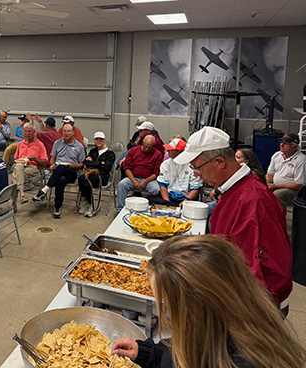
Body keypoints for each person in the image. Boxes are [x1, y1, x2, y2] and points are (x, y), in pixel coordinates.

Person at [112, 235, 306, 368]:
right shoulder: (218, 331)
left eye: (167, 303)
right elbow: (180, 351)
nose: (166, 310)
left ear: (196, 309)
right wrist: (147, 353)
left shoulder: (244, 361)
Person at [174, 126, 292, 310]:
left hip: (256, 306)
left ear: (220, 162)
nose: (197, 175)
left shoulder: (254, 201)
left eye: (197, 168)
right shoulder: (231, 190)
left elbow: (258, 269)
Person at [32, 123, 85, 219]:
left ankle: (45, 189)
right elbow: (52, 158)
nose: (66, 133)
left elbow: (81, 165)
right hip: (58, 172)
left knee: (61, 168)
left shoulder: (79, 146)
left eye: (69, 131)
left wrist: (73, 165)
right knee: (61, 179)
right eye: (64, 131)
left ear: (73, 132)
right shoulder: (57, 143)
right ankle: (57, 208)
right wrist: (52, 164)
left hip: (72, 172)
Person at [116, 135, 162, 212]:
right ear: (143, 143)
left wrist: (145, 182)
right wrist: (133, 181)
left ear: (153, 146)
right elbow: (127, 168)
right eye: (145, 146)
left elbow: (156, 173)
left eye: (149, 147)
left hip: (149, 180)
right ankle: (121, 209)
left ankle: (149, 209)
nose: (147, 149)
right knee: (122, 185)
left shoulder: (158, 154)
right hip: (133, 177)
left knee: (156, 189)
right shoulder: (133, 151)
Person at [78, 131, 115, 217]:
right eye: (96, 139)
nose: (99, 141)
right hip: (90, 173)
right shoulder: (93, 151)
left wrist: (94, 162)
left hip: (102, 177)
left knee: (87, 184)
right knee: (81, 178)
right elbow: (87, 163)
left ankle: (91, 206)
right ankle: (83, 201)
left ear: (104, 140)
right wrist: (100, 163)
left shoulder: (110, 153)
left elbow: (106, 168)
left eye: (101, 139)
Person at [11, 122, 48, 211]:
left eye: (29, 131)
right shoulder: (21, 144)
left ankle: (13, 203)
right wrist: (20, 161)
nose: (27, 133)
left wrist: (35, 159)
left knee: (15, 177)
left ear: (34, 132)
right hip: (20, 167)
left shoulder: (40, 145)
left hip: (33, 168)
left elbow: (44, 163)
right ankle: (22, 193)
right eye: (25, 131)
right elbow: (16, 159)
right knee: (18, 168)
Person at [155, 137, 202, 206]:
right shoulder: (166, 164)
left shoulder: (192, 165)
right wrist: (167, 203)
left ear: (179, 152)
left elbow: (195, 188)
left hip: (187, 199)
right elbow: (163, 185)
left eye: (171, 150)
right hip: (169, 197)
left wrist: (186, 201)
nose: (167, 151)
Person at [265, 133, 305, 211]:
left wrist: (276, 186)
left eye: (286, 143)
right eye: (281, 142)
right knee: (259, 190)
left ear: (295, 146)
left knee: (278, 194)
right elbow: (270, 173)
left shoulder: (301, 160)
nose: (282, 145)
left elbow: (299, 184)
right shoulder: (276, 155)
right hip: (275, 186)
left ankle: (279, 220)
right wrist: (268, 184)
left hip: (294, 190)